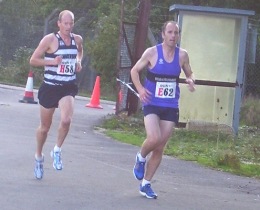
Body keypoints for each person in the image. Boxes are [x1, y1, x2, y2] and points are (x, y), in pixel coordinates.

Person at [130, 20, 195, 199]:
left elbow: (190, 72)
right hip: (152, 102)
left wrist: (191, 80)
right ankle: (141, 157)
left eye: (176, 32)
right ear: (163, 34)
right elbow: (134, 71)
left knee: (159, 147)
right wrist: (141, 90)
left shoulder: (182, 55)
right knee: (154, 137)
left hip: (170, 105)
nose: (173, 36)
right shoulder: (151, 53)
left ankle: (146, 184)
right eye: (170, 32)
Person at [30, 10, 83, 179]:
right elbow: (33, 60)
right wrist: (51, 61)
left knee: (66, 120)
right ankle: (39, 156)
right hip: (50, 87)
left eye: (71, 23)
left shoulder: (77, 39)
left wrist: (78, 61)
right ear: (59, 24)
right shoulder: (50, 40)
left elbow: (80, 52)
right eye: (65, 23)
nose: (68, 27)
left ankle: (57, 150)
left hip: (67, 86)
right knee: (44, 128)